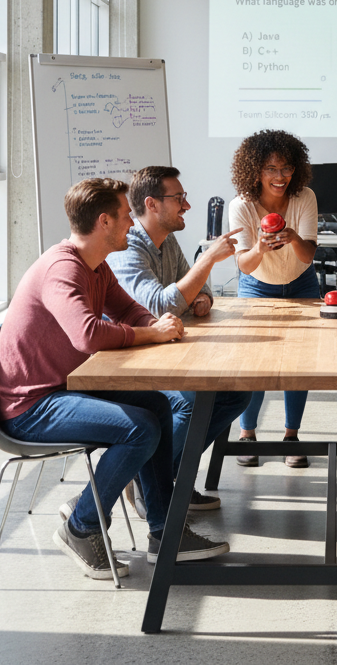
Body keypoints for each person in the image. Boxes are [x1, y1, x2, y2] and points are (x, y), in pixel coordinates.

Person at [0, 178, 228, 581]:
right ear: (103, 222)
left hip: (63, 385)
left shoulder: (96, 265)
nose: (131, 226)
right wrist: (150, 334)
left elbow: (128, 310)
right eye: (123, 217)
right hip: (31, 405)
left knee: (155, 404)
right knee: (139, 429)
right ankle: (80, 527)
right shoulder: (62, 268)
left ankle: (164, 531)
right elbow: (87, 333)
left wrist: (156, 323)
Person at [106, 165, 252, 515]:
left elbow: (197, 289)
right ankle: (150, 482)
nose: (186, 205)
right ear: (153, 204)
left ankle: (169, 476)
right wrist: (208, 260)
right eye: (179, 198)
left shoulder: (166, 240)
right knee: (189, 402)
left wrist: (201, 297)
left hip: (162, 348)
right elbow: (158, 305)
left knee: (236, 394)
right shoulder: (128, 248)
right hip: (128, 357)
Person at [228, 129, 319, 468]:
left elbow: (308, 255)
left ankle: (291, 435)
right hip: (257, 286)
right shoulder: (241, 205)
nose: (281, 177)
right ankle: (247, 433)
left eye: (286, 168)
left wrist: (292, 236)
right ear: (255, 171)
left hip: (301, 283)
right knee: (254, 366)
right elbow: (243, 264)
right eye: (271, 168)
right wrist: (261, 247)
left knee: (298, 365)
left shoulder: (304, 197)